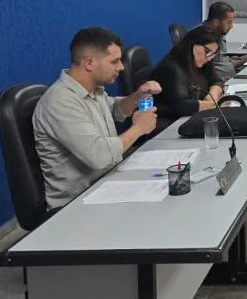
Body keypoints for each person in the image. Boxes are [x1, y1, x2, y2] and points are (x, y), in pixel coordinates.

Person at [34, 27, 162, 209]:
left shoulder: (93, 89)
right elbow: (99, 156)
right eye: (115, 61)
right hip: (76, 204)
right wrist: (138, 129)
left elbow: (115, 109)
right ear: (89, 63)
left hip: (106, 184)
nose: (121, 67)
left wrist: (138, 96)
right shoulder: (60, 101)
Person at [149, 26, 225, 123]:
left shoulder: (201, 62)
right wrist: (214, 105)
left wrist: (213, 94)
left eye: (212, 54)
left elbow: (216, 80)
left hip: (187, 118)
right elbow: (181, 106)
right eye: (207, 51)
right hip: (168, 123)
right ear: (192, 43)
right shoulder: (172, 68)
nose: (208, 58)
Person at [202, 1, 247, 82]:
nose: (232, 26)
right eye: (229, 22)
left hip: (230, 79)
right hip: (220, 84)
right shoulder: (204, 38)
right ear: (216, 22)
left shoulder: (219, 33)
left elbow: (224, 63)